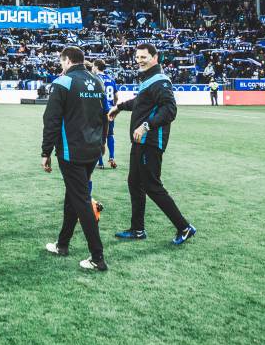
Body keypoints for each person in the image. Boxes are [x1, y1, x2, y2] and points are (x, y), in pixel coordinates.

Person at [108, 43, 197, 246]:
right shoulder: (148, 80)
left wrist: (146, 125)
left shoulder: (160, 80)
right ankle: (137, 229)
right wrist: (119, 107)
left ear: (155, 57)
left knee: (152, 185)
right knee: (134, 183)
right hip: (140, 141)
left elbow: (170, 109)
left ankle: (184, 227)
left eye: (143, 57)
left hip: (150, 141)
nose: (139, 60)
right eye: (137, 57)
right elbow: (140, 102)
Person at [41, 47, 109, 271]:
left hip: (72, 152)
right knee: (74, 196)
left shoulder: (63, 82)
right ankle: (62, 244)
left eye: (61, 61)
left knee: (80, 200)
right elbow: (105, 116)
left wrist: (45, 152)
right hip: (92, 150)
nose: (61, 65)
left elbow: (51, 119)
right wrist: (103, 142)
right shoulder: (97, 81)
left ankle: (97, 257)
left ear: (67, 60)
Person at [92, 59, 118, 169]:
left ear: (97, 67)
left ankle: (100, 162)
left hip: (99, 111)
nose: (92, 68)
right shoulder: (111, 79)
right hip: (110, 110)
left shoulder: (94, 78)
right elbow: (116, 97)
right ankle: (111, 157)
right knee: (110, 134)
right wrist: (114, 107)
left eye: (93, 66)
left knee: (98, 136)